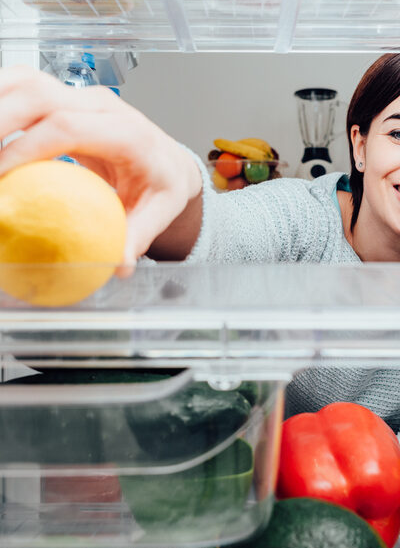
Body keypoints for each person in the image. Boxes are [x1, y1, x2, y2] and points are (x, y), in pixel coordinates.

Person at [0, 54, 399, 428]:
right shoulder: (305, 216)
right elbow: (224, 234)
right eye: (398, 133)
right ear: (360, 146)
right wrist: (184, 193)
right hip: (252, 474)